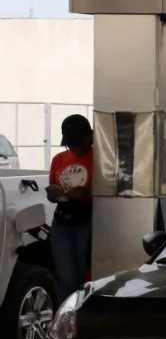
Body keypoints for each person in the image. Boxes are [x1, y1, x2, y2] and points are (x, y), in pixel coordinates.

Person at [46, 114, 94, 302]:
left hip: (87, 221)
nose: (72, 148)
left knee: (84, 275)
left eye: (75, 143)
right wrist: (53, 194)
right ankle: (65, 319)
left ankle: (82, 315)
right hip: (62, 221)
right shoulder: (59, 159)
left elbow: (107, 194)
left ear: (88, 138)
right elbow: (52, 194)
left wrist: (84, 195)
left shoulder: (98, 158)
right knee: (66, 277)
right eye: (69, 144)